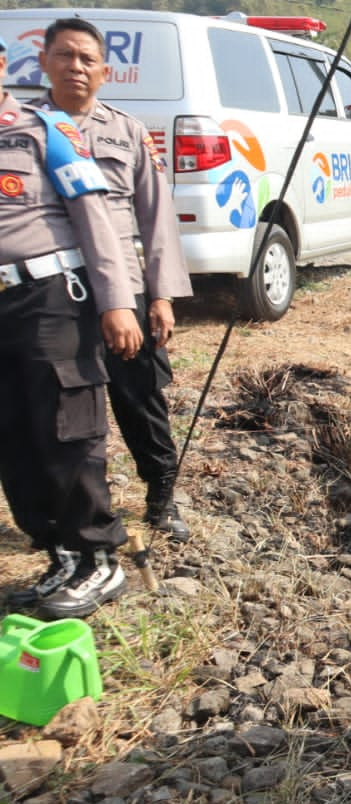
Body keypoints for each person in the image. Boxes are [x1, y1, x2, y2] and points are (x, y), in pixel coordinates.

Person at [28, 17, 195, 563]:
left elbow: (156, 216)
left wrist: (162, 294)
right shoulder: (27, 131)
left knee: (140, 397)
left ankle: (161, 495)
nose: (75, 67)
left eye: (86, 59)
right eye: (64, 56)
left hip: (125, 286)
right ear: (43, 61)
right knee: (63, 411)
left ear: (105, 71)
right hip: (57, 296)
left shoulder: (125, 131)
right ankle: (69, 513)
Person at [0, 33, 143, 619]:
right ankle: (58, 551)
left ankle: (99, 558)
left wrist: (117, 302)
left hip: (49, 297)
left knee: (66, 429)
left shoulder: (44, 132)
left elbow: (96, 219)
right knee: (14, 437)